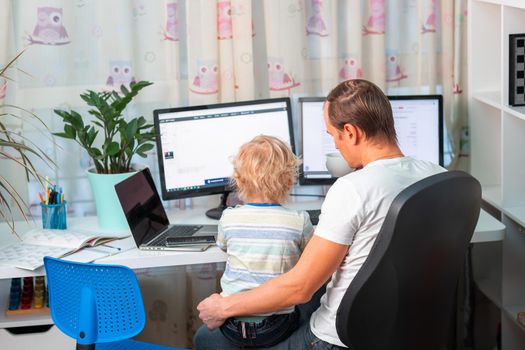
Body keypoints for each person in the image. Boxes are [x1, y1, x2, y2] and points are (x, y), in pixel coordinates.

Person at [194, 79, 446, 349]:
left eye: (332, 135)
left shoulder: (352, 189)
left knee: (206, 338)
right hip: (408, 329)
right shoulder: (438, 177)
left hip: (336, 340)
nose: (335, 145)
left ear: (350, 132)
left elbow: (299, 289)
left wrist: (222, 307)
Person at [212, 135, 314, 348]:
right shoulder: (299, 220)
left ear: (238, 180)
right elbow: (310, 255)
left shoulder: (228, 217)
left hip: (231, 326)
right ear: (289, 181)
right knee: (313, 302)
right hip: (275, 326)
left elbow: (223, 245)